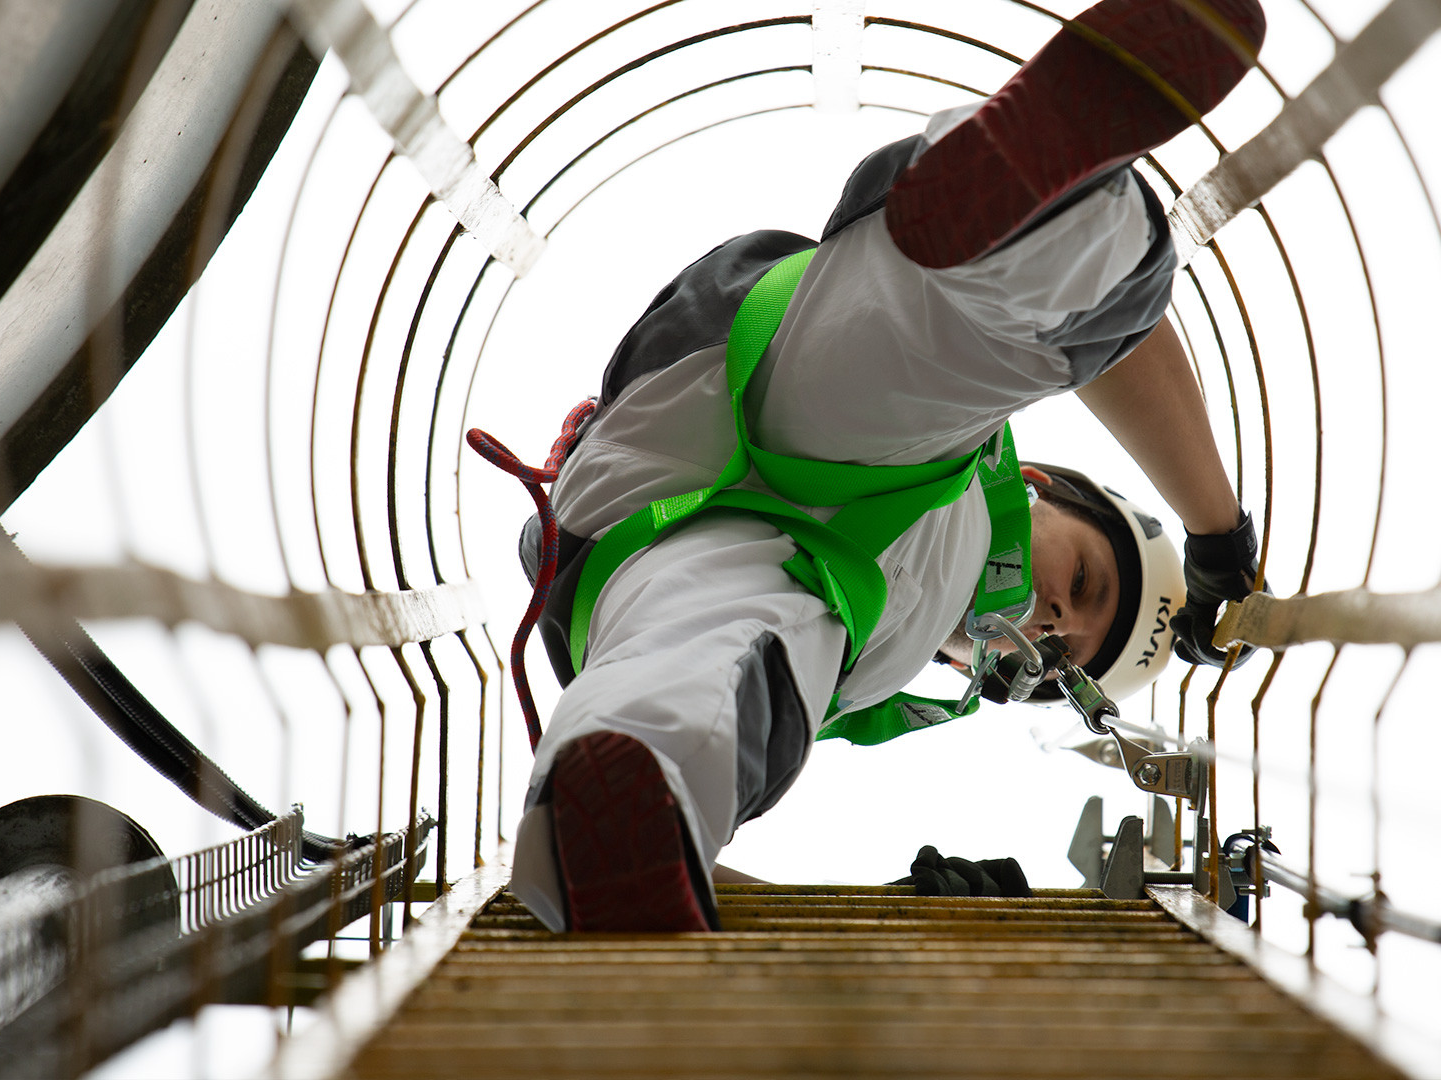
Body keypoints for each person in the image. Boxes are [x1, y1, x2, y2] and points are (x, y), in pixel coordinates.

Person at [495, 0, 1267, 932]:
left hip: (655, 554)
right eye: (1087, 583)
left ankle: (619, 804)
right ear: (1046, 488)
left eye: (1063, 660)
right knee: (975, 343)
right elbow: (1130, 356)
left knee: (727, 665)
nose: (1053, 623)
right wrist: (1215, 531)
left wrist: (897, 921)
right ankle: (1029, 225)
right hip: (754, 394)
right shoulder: (972, 503)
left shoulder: (869, 667)